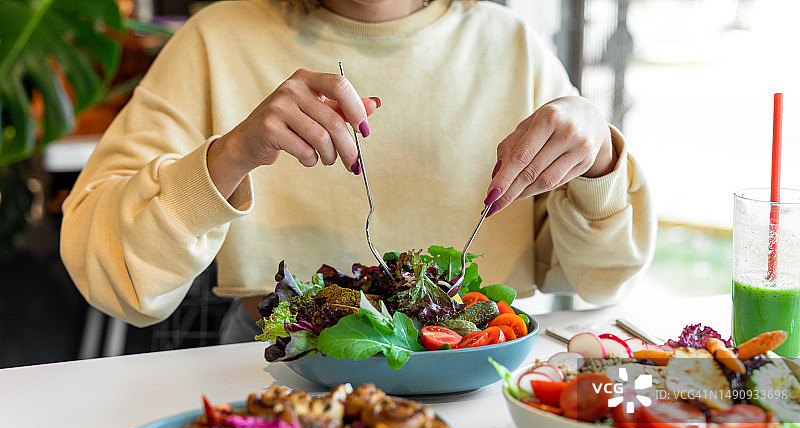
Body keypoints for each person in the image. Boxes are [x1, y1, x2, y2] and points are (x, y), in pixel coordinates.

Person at [60, 0, 656, 344]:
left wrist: (600, 159)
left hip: (484, 366)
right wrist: (232, 154)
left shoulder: (515, 45)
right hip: (280, 374)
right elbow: (110, 273)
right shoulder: (215, 38)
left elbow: (603, 277)